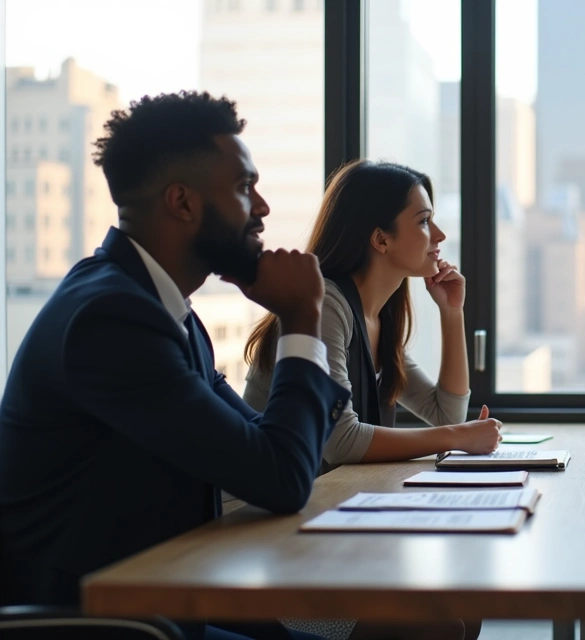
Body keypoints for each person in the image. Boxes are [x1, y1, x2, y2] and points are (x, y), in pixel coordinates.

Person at [0, 91, 348, 640]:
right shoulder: (110, 319)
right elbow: (280, 477)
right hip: (100, 624)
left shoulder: (166, 312)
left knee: (423, 626)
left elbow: (266, 446)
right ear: (182, 203)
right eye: (243, 187)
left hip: (171, 596)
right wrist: (303, 317)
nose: (262, 208)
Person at [243, 160, 501, 472]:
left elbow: (447, 415)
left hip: (315, 498)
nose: (440, 235)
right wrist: (456, 437)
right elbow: (341, 441)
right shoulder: (325, 305)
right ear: (381, 240)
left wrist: (451, 312)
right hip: (251, 513)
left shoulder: (377, 319)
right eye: (424, 222)